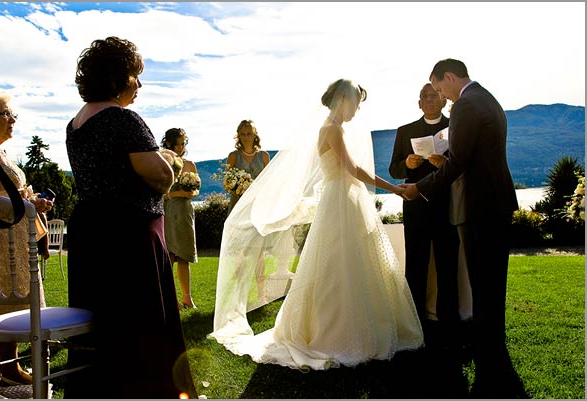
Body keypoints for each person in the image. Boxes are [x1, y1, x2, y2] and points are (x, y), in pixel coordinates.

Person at [209, 79, 423, 370]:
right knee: (338, 264)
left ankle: (357, 323)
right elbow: (353, 169)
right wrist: (394, 188)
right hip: (340, 202)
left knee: (348, 262)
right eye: (356, 104)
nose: (356, 111)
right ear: (344, 100)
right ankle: (337, 331)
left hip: (343, 200)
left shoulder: (332, 127)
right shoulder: (332, 129)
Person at [64, 37, 196, 398]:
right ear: (118, 77)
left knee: (102, 322)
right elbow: (159, 178)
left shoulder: (74, 125)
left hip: (91, 232)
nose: (139, 84)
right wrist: (171, 160)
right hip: (130, 234)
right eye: (136, 76)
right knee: (141, 322)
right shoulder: (123, 120)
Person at [400, 59, 524, 398]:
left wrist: (420, 187)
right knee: (491, 285)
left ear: (450, 78)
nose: (441, 95)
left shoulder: (468, 103)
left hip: (479, 206)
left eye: (440, 89)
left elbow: (459, 163)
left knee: (484, 286)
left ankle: (489, 366)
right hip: (492, 204)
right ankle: (494, 356)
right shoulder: (486, 98)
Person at [0, 89, 53, 386]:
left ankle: (7, 366)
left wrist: (32, 201)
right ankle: (7, 366)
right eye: (7, 114)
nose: (13, 120)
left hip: (12, 236)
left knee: (14, 306)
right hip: (0, 241)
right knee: (7, 302)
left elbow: (6, 191)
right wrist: (26, 206)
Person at [389, 83, 460, 342]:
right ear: (419, 103)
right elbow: (394, 170)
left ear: (442, 100)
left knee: (447, 266)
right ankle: (415, 323)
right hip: (416, 208)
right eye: (424, 96)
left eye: (434, 95)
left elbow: (464, 164)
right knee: (416, 268)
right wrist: (405, 163)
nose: (429, 99)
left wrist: (446, 163)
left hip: (447, 206)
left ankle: (449, 322)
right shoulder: (405, 131)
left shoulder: (456, 126)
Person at [161, 128, 199, 309]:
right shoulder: (163, 161)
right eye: (179, 143)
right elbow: (160, 193)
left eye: (184, 143)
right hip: (168, 211)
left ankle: (187, 297)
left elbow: (196, 189)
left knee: (184, 255)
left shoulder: (190, 164)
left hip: (185, 212)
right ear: (169, 143)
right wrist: (176, 193)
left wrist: (190, 193)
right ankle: (171, 298)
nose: (182, 146)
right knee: (168, 256)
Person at [225, 119, 270, 214]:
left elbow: (268, 181)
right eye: (243, 134)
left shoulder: (264, 156)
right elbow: (227, 184)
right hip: (238, 203)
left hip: (259, 202)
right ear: (239, 136)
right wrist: (239, 189)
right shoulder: (233, 156)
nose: (246, 137)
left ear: (255, 135)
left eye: (249, 133)